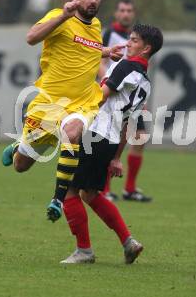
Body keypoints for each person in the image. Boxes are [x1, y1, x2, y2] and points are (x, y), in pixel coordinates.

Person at [1, 0, 124, 222]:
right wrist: (63, 16)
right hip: (49, 104)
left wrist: (106, 51)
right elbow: (31, 37)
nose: (92, 1)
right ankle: (18, 146)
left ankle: (57, 199)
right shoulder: (60, 17)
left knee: (72, 133)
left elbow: (84, 47)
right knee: (21, 165)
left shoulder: (97, 25)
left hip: (82, 102)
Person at [60, 24, 163, 264]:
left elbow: (101, 95)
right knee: (91, 193)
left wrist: (75, 115)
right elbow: (129, 123)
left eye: (134, 40)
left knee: (68, 192)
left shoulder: (126, 66)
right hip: (111, 140)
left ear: (146, 48)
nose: (128, 43)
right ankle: (128, 242)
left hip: (95, 134)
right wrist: (116, 157)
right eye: (129, 38)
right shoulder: (146, 83)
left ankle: (84, 251)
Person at [100, 0, 152, 202]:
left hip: (129, 96)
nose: (126, 14)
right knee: (107, 138)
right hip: (112, 94)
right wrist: (112, 82)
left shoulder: (139, 39)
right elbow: (99, 60)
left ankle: (129, 188)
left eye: (129, 10)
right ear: (116, 13)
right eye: (122, 10)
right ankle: (104, 189)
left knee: (139, 137)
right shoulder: (108, 34)